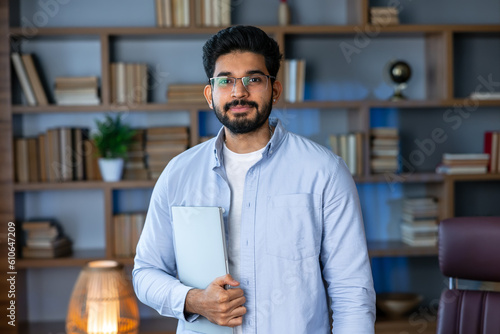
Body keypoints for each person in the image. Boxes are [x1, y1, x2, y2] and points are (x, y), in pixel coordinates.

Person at [133, 25, 376, 333]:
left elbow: (352, 292)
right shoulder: (179, 173)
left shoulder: (324, 172)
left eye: (253, 79)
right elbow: (146, 272)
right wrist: (193, 300)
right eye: (226, 81)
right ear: (210, 95)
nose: (239, 92)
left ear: (274, 89)